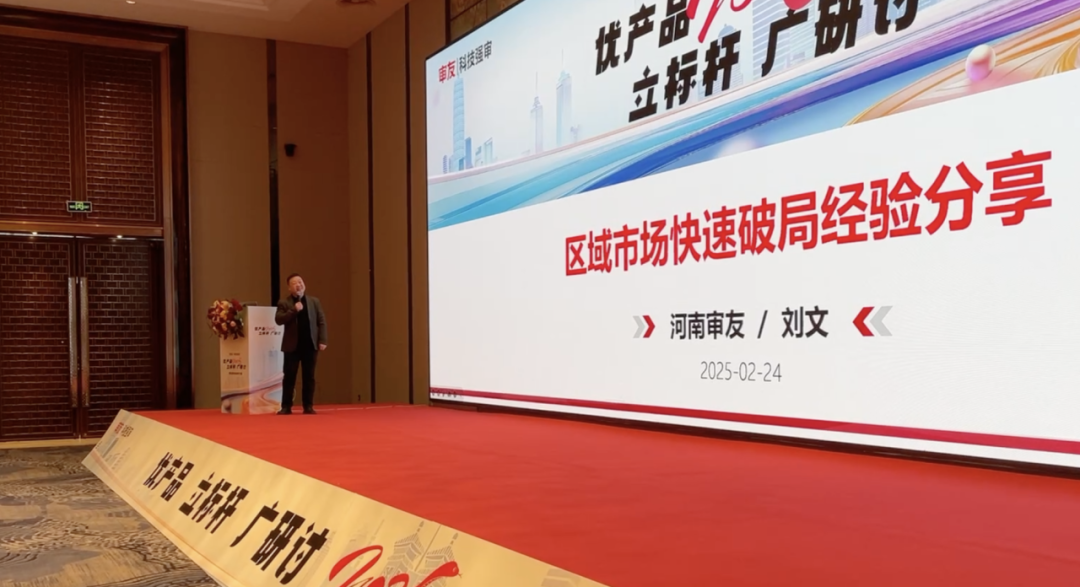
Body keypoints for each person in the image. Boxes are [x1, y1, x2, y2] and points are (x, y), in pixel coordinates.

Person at [275, 273, 327, 414]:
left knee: (309, 376)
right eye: (294, 283)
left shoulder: (314, 301)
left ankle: (308, 406)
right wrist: (294, 310)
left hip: (310, 345)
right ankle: (286, 406)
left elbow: (321, 321)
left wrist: (322, 340)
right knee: (289, 377)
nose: (298, 285)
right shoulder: (284, 303)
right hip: (292, 346)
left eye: (300, 282)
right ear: (289, 288)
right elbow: (279, 319)